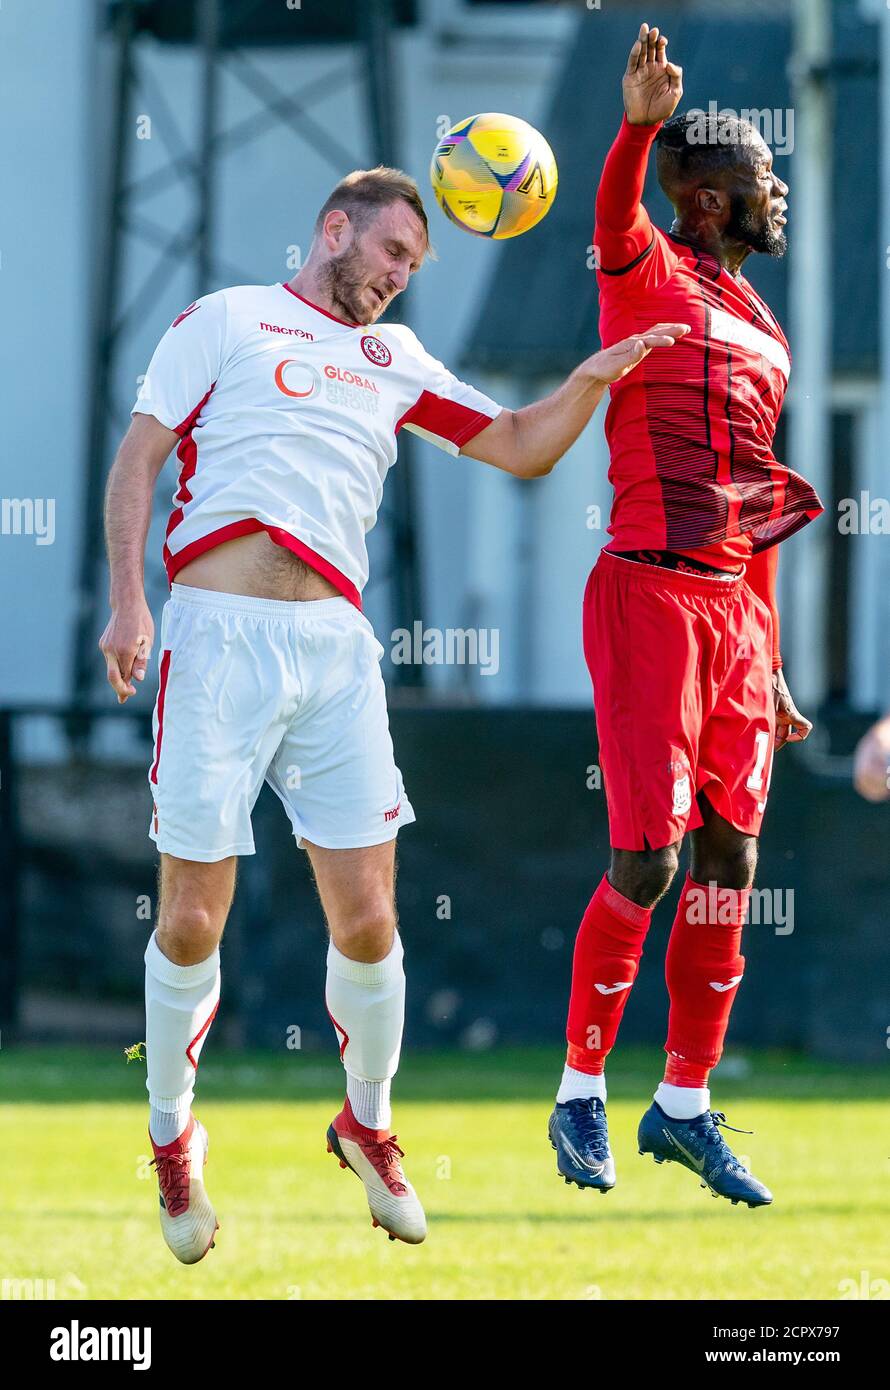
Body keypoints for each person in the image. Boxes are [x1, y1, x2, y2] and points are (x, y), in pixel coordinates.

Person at [99, 163, 687, 1261]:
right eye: (389, 255)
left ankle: (365, 1121)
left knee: (369, 919)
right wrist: (130, 600)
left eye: (413, 267)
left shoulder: (396, 359)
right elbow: (139, 457)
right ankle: (173, 1139)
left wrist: (589, 382)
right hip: (216, 640)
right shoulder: (227, 319)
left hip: (333, 651)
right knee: (188, 921)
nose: (398, 279)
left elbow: (515, 442)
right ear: (333, 230)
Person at [548, 22, 823, 1207]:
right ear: (703, 198)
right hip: (648, 590)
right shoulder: (643, 268)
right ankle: (577, 1094)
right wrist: (637, 127)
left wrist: (772, 663)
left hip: (732, 614)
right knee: (647, 862)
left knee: (729, 859)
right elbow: (610, 212)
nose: (777, 188)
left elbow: (758, 504)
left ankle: (683, 1105)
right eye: (761, 175)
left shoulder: (766, 330)